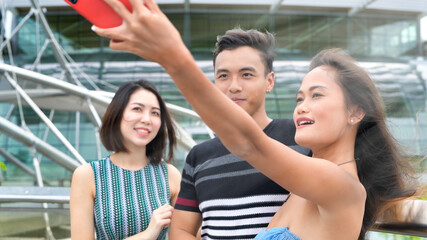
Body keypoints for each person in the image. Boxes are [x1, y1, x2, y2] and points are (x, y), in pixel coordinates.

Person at [93, 0, 417, 239]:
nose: (302, 107)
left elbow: (249, 143)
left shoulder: (341, 186)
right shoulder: (301, 187)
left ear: (355, 112)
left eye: (317, 95)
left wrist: (172, 55)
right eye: (300, 97)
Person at [169, 28, 310, 239]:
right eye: (223, 76)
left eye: (246, 74)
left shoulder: (300, 138)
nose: (234, 87)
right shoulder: (198, 157)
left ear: (269, 81)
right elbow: (180, 230)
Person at [70, 80, 181, 240]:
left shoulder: (170, 174)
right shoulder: (88, 175)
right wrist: (149, 233)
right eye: (137, 109)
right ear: (117, 114)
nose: (147, 119)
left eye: (155, 113)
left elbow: (189, 233)